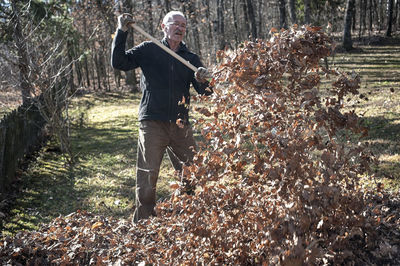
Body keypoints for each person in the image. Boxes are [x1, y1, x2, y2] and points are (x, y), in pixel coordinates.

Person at [111, 11, 212, 223]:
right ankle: (143, 223)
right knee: (148, 176)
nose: (180, 28)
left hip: (180, 124)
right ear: (163, 27)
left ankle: (190, 218)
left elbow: (206, 94)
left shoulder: (190, 59)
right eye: (175, 23)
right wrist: (122, 31)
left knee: (191, 173)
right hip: (152, 122)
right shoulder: (149, 49)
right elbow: (119, 62)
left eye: (183, 25)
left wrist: (204, 80)